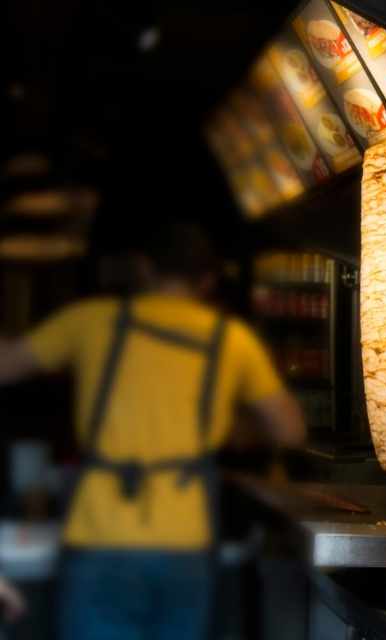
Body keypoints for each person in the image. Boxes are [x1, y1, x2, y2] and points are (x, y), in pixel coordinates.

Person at [0, 222, 305, 640]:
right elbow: (289, 431)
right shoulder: (232, 340)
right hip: (186, 538)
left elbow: (7, 364)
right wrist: (233, 427)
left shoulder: (91, 320)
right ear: (208, 279)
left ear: (142, 269)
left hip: (101, 533)